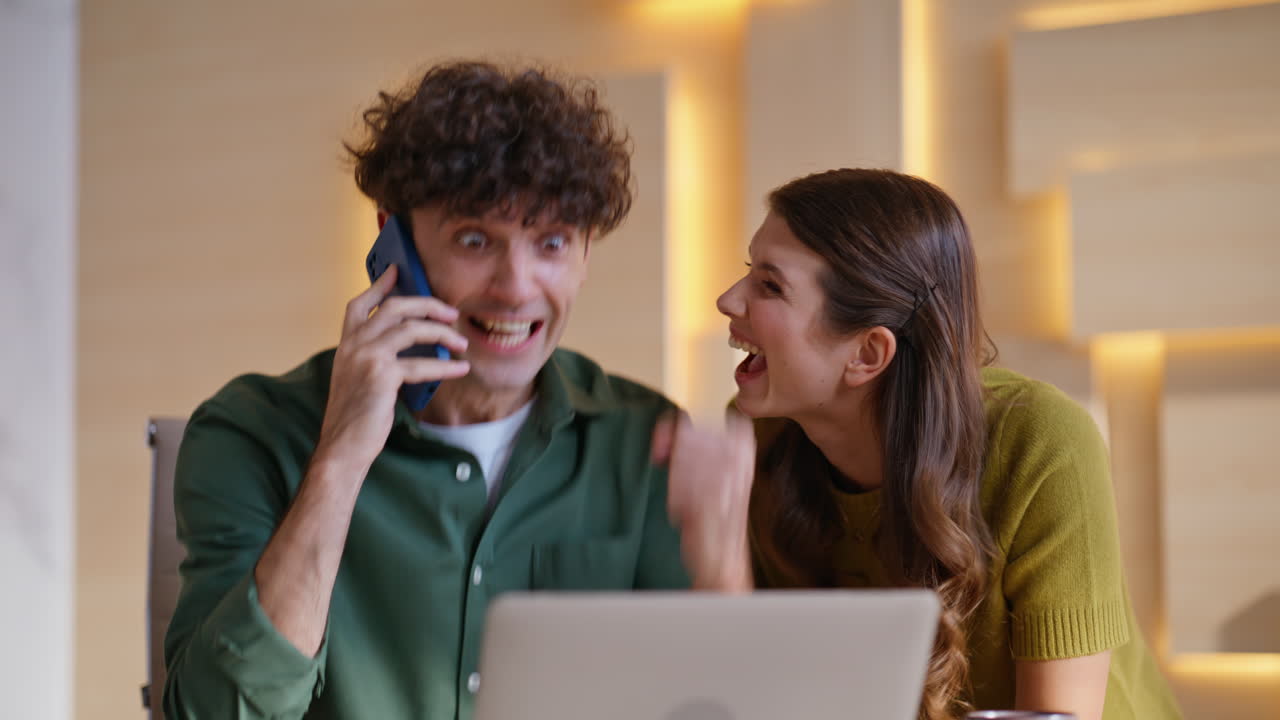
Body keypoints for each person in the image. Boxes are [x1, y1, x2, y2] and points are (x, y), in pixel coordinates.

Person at [163, 61, 690, 720]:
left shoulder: (647, 441)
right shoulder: (252, 432)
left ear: (585, 253)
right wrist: (340, 459)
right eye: (476, 240)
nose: (517, 285)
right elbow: (214, 715)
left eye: (551, 242)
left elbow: (700, 698)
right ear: (394, 237)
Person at [655, 168, 1182, 720]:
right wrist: (719, 568)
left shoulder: (1043, 445)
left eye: (769, 285)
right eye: (748, 272)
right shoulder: (760, 440)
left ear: (866, 354)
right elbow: (753, 703)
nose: (725, 300)